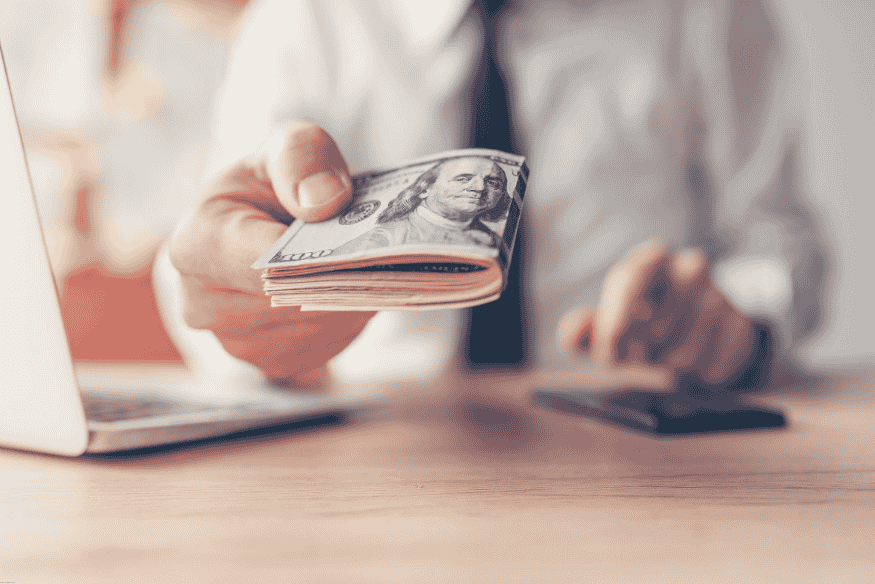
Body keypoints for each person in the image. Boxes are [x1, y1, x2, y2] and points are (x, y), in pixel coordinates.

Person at [159, 0, 828, 389]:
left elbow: (779, 243)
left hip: (636, 449)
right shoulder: (302, 19)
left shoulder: (706, 14)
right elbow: (213, 242)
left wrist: (730, 322)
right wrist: (232, 305)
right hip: (371, 444)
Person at [335, 156, 510, 254]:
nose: (479, 188)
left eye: (493, 183)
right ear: (426, 188)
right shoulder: (382, 238)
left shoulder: (493, 240)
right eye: (463, 179)